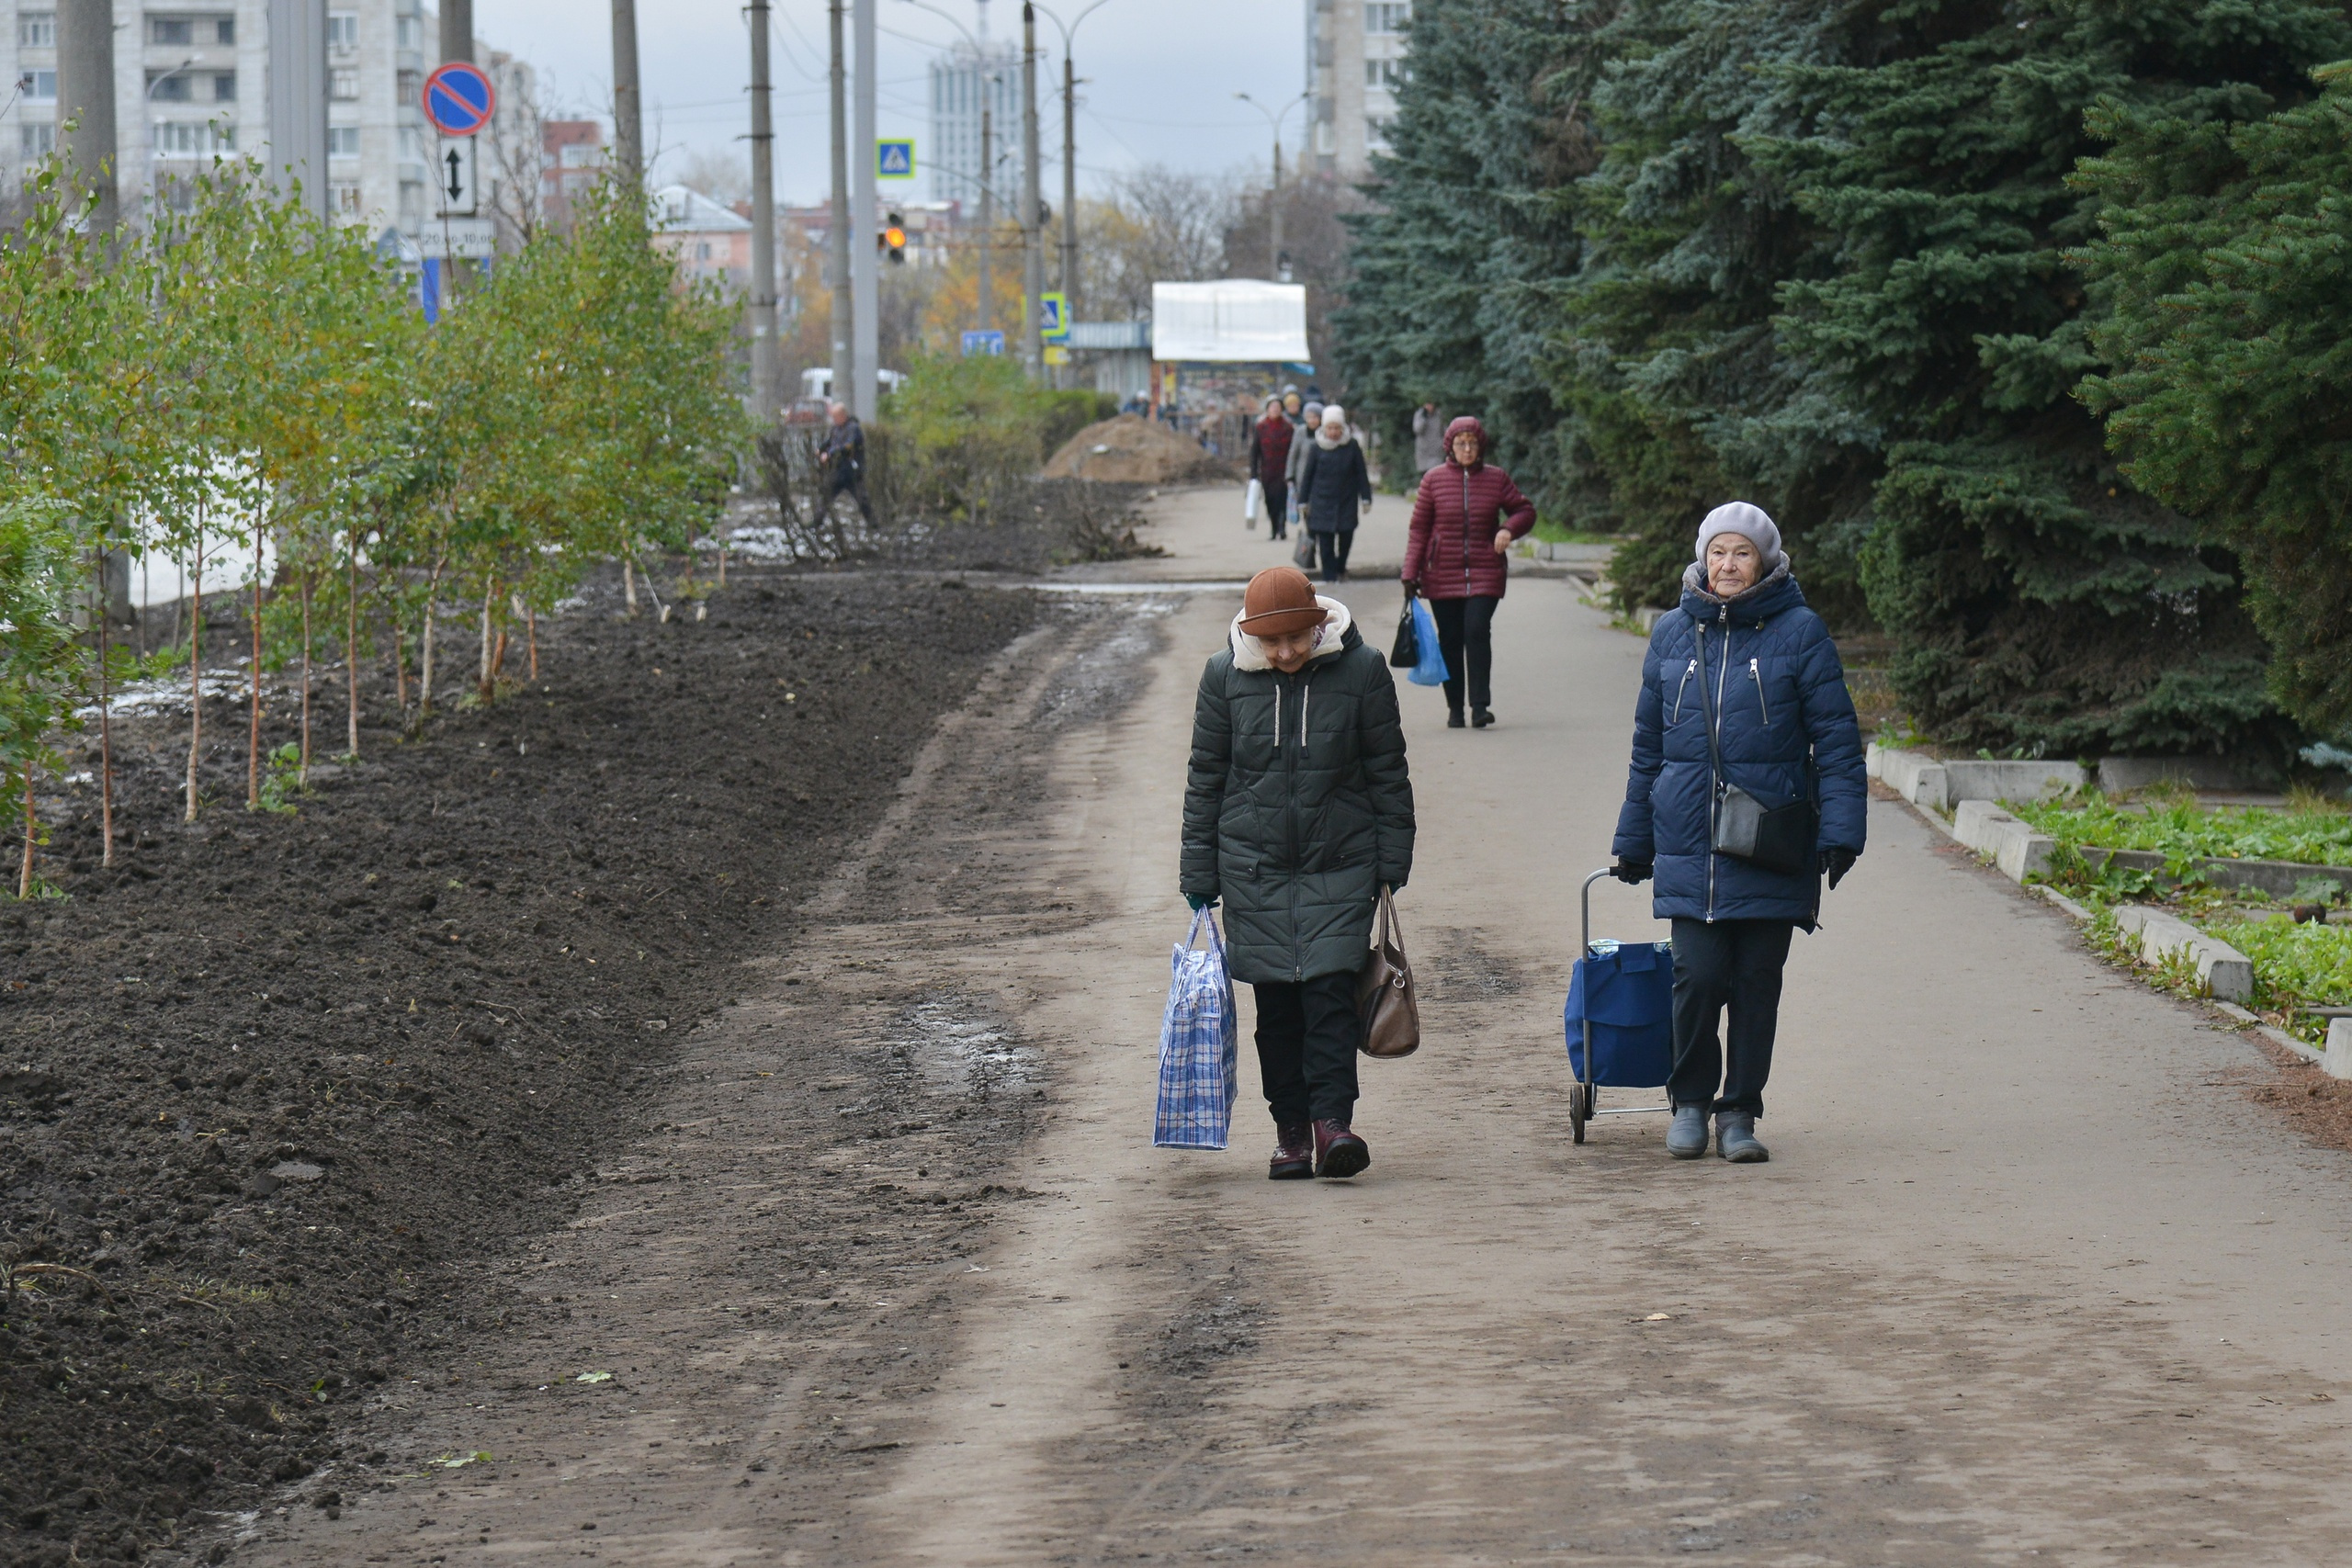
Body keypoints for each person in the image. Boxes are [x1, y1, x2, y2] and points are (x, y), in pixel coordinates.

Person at [1609, 502, 1867, 1164]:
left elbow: (1837, 739)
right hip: (1689, 834)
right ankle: (1690, 1102)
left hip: (1771, 840)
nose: (1728, 564)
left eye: (1742, 553)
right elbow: (1648, 746)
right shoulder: (1672, 633)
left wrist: (1841, 830)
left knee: (1757, 980)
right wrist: (1634, 836)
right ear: (1703, 558)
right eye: (1719, 551)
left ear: (1766, 561)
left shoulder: (1800, 632)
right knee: (1695, 975)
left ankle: (1741, 1112)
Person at [1182, 566, 1415, 1180]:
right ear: (1251, 636)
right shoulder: (1222, 678)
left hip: (1339, 862)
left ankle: (1332, 1123)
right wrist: (1199, 870)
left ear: (1319, 624)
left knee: (1331, 999)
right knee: (1278, 1011)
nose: (1285, 652)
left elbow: (1387, 768)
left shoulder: (1361, 672)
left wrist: (1393, 856)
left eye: (1297, 637)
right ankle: (1291, 1133)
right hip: (1252, 869)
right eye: (1272, 641)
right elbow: (1206, 778)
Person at [1400, 416, 1534, 728]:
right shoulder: (1433, 480)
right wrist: (1410, 573)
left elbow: (1525, 510)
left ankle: (1479, 706)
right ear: (1450, 446)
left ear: (1481, 446)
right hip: (1441, 572)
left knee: (1475, 630)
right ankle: (1455, 709)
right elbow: (1419, 530)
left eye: (1473, 443)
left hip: (1486, 568)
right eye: (1461, 443)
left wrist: (1507, 530)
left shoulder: (1496, 478)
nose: (1467, 449)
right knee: (1450, 638)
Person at [1295, 404, 1374, 583]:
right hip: (1322, 501)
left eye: (1337, 428)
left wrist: (1366, 497)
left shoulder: (1351, 446)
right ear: (1324, 428)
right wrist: (1303, 501)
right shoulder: (1317, 447)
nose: (1333, 432)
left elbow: (1361, 473)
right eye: (1330, 428)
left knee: (1346, 536)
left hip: (1346, 499)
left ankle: (1340, 567)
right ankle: (1329, 575)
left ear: (1342, 428)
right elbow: (1308, 475)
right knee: (1326, 542)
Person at [1250, 395, 1297, 541]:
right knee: (1270, 499)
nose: (1275, 410)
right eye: (1272, 407)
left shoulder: (1288, 427)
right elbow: (1255, 451)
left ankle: (1282, 528)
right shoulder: (1261, 427)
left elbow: (1293, 451)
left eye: (1278, 408)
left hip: (1284, 469)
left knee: (1282, 499)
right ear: (1267, 409)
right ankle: (1273, 528)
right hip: (1267, 470)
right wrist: (1253, 473)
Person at [817, 400, 872, 524]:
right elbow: (830, 442)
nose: (833, 420)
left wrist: (830, 454)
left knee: (861, 499)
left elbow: (846, 447)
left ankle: (873, 524)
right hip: (838, 471)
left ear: (842, 415)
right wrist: (820, 449)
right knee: (826, 497)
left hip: (851, 471)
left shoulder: (853, 428)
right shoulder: (836, 429)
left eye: (835, 417)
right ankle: (816, 522)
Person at [1284, 400, 1321, 533]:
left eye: (1315, 417)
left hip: (1320, 478)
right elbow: (1293, 454)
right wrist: (1290, 476)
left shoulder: (1324, 433)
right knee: (1307, 509)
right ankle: (1310, 535)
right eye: (1309, 417)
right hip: (1302, 478)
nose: (1312, 420)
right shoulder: (1300, 432)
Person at [1412, 402, 1447, 474]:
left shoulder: (1439, 414)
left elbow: (1445, 430)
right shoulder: (1419, 414)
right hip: (1424, 451)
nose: (1429, 407)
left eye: (1430, 404)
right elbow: (1417, 430)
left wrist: (1443, 443)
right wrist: (1424, 419)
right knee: (1426, 475)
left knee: (1437, 473)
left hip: (1437, 450)